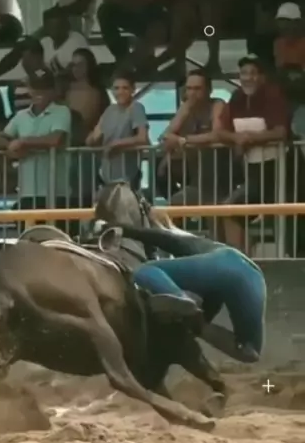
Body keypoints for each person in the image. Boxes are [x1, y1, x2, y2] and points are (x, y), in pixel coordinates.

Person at [115, 214, 267, 364]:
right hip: (254, 277)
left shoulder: (192, 243)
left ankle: (180, 297)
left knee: (143, 271)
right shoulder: (202, 248)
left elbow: (165, 238)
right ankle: (190, 311)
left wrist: (124, 230)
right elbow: (212, 299)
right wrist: (198, 325)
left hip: (224, 261)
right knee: (250, 351)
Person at [218, 55, 289, 252]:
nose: (248, 78)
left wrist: (250, 138)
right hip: (252, 172)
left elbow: (281, 131)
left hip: (279, 171)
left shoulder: (273, 95)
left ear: (262, 77)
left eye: (253, 73)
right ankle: (241, 258)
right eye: (244, 73)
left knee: (287, 219)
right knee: (230, 210)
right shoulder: (236, 97)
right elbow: (220, 131)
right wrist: (236, 138)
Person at [0, 69, 72, 211]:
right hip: (27, 191)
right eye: (35, 88)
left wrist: (23, 142)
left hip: (56, 191)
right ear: (30, 90)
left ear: (53, 90)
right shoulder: (21, 115)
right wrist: (11, 147)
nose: (39, 92)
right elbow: (0, 137)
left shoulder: (62, 111)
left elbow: (55, 139)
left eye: (44, 88)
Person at [157, 68, 227, 201]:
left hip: (215, 166)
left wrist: (183, 140)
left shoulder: (217, 105)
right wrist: (184, 112)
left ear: (209, 90)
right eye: (189, 89)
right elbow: (166, 135)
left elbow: (216, 135)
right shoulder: (186, 107)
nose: (192, 93)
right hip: (191, 164)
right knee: (161, 170)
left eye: (197, 89)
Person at [86, 70, 149, 189]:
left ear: (133, 90)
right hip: (106, 174)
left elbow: (143, 138)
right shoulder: (109, 110)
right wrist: (94, 138)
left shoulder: (136, 108)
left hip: (127, 175)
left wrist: (117, 144)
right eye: (116, 88)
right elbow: (93, 137)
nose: (120, 92)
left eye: (125, 88)